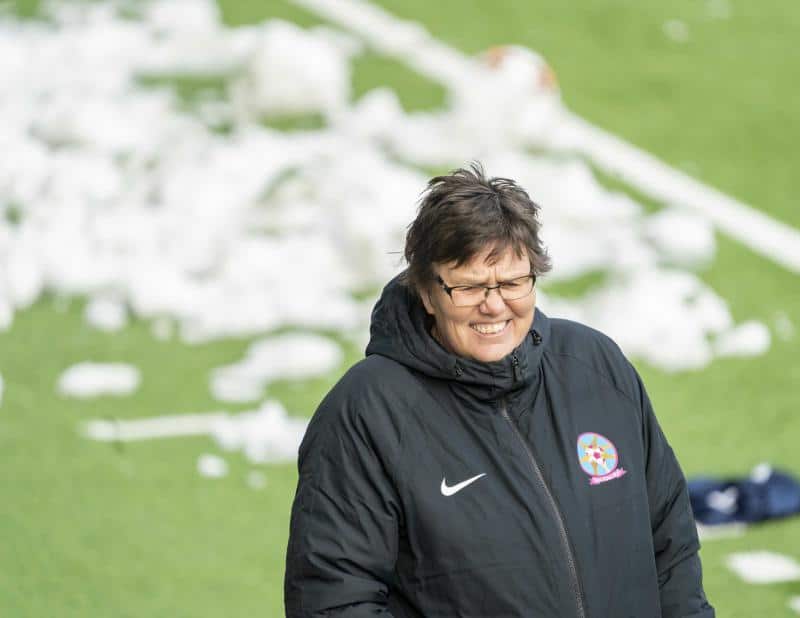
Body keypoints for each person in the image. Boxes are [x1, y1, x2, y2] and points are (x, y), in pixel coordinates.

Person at [285, 164, 715, 617]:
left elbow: (671, 543)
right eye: (469, 287)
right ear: (427, 292)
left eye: (511, 283)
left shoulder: (594, 365)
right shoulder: (368, 411)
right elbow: (334, 599)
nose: (493, 305)